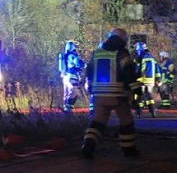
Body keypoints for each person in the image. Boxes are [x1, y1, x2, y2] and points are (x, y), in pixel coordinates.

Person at [81, 28, 142, 159]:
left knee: (97, 121)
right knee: (126, 121)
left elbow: (89, 72)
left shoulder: (96, 53)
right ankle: (128, 150)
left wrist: (91, 88)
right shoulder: (122, 54)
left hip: (99, 95)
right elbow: (129, 74)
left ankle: (88, 147)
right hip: (117, 95)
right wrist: (137, 90)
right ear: (123, 40)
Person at [133, 42, 159, 117]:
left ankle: (139, 112)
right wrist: (158, 79)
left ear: (140, 50)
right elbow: (157, 69)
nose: (137, 52)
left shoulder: (139, 57)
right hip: (150, 81)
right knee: (149, 96)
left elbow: (137, 69)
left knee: (139, 96)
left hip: (141, 80)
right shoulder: (152, 57)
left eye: (138, 50)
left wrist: (134, 77)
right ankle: (153, 111)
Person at [59, 41, 85, 113]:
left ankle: (65, 108)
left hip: (65, 77)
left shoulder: (65, 56)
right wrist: (83, 63)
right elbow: (79, 64)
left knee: (66, 93)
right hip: (72, 77)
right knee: (74, 92)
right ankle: (68, 108)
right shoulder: (73, 56)